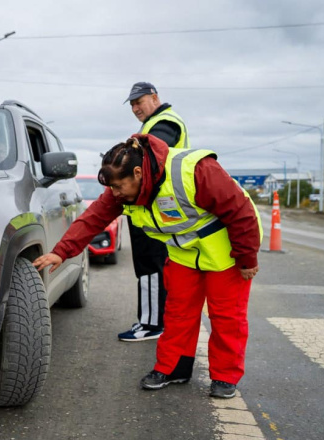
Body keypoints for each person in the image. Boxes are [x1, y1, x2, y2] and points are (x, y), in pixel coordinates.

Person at [32, 134, 261, 398]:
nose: (115, 194)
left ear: (138, 173)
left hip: (227, 255)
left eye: (119, 187)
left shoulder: (196, 170)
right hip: (184, 255)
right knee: (177, 314)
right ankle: (173, 368)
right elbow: (92, 219)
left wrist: (247, 259)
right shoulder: (124, 189)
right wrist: (61, 252)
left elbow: (240, 212)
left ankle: (224, 377)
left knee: (226, 317)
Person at [119, 82, 189, 342]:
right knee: (154, 264)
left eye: (140, 102)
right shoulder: (153, 123)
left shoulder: (165, 122)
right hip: (156, 204)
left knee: (149, 265)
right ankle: (157, 320)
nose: (136, 108)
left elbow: (148, 154)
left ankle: (151, 324)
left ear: (155, 97)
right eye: (132, 104)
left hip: (153, 206)